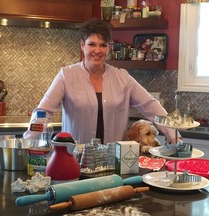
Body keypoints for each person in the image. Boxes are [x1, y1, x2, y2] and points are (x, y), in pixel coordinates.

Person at [24, 18, 181, 144]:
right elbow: (43, 112)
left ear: (109, 47)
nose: (97, 50)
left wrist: (174, 136)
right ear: (82, 45)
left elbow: (151, 106)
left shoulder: (123, 78)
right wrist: (29, 142)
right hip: (75, 160)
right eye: (92, 44)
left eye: (103, 45)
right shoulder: (66, 76)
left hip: (115, 163)